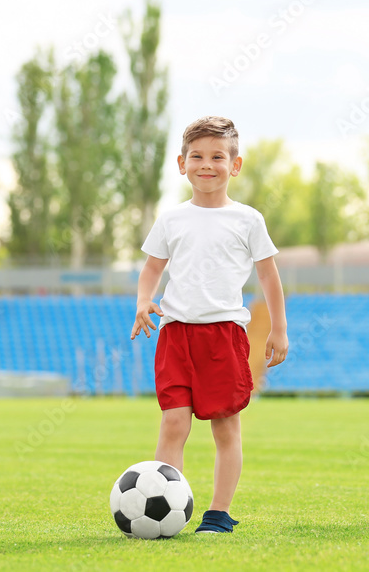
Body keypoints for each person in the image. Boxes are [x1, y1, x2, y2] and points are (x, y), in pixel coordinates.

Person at [130, 116, 289, 533]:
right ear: (181, 163)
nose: (207, 164)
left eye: (218, 156)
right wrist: (144, 300)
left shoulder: (248, 220)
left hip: (224, 336)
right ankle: (165, 506)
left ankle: (218, 512)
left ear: (234, 165)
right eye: (197, 156)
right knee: (174, 422)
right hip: (176, 334)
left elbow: (269, 276)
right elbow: (151, 268)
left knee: (225, 426)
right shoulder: (171, 219)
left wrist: (278, 329)